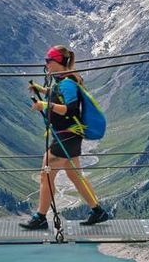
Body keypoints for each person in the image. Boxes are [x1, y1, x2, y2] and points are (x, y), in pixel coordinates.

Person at [20, 45, 111, 229]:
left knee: (45, 174)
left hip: (66, 136)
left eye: (49, 61)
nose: (47, 65)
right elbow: (58, 95)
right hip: (69, 135)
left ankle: (40, 217)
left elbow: (69, 109)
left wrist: (44, 105)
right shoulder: (64, 81)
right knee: (74, 175)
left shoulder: (67, 83)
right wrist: (40, 89)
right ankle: (97, 211)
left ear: (59, 62)